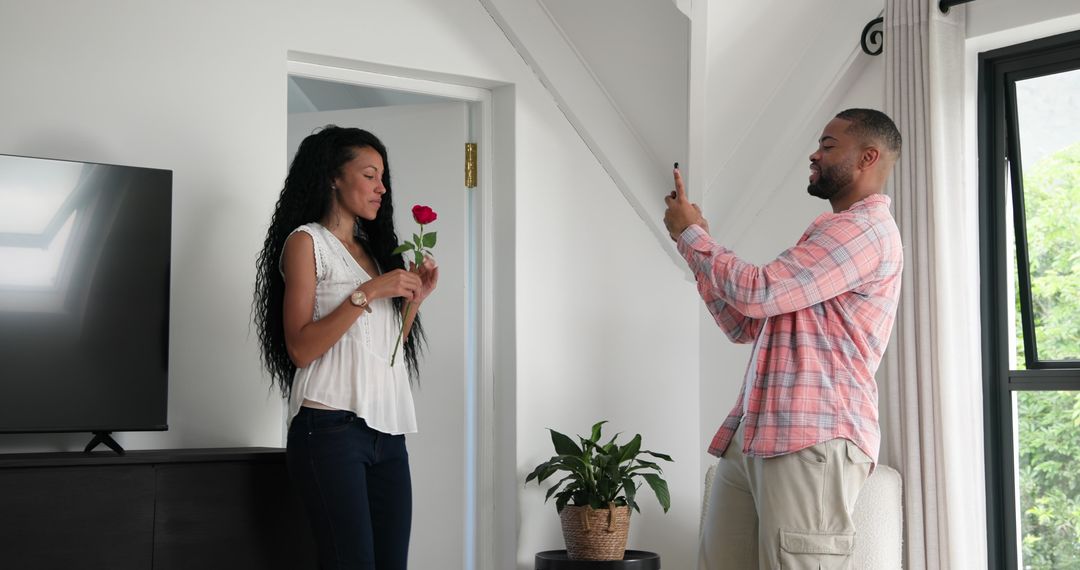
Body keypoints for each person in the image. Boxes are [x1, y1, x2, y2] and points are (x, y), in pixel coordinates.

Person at [664, 109, 904, 569]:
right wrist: (695, 243)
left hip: (811, 438)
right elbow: (744, 322)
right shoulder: (830, 235)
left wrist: (692, 236)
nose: (814, 154)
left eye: (829, 145)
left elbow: (758, 291)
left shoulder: (863, 231)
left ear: (867, 157)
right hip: (758, 435)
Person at [253, 125, 439, 570]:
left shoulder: (376, 252)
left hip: (388, 434)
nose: (382, 187)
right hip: (329, 431)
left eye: (383, 178)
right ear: (334, 177)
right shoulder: (306, 242)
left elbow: (387, 349)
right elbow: (300, 348)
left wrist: (415, 302)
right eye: (370, 175)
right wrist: (368, 292)